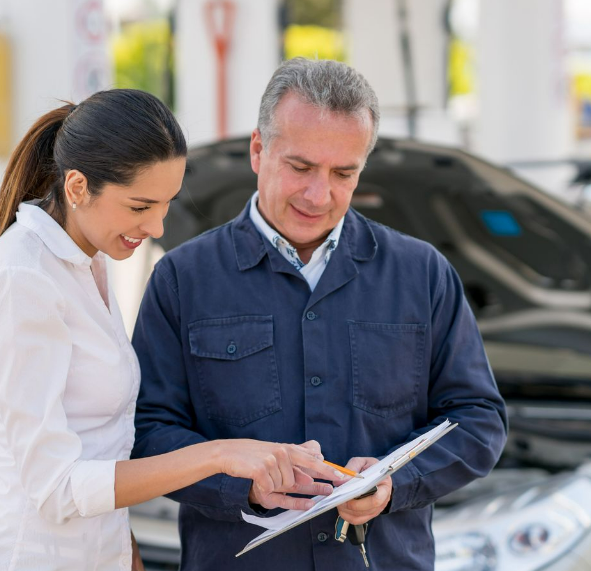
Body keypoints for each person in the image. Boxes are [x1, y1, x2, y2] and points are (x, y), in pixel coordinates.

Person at [131, 59, 508, 571]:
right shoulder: (182, 278)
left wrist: (395, 484)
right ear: (259, 151)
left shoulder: (422, 275)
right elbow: (149, 430)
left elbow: (478, 421)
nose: (319, 194)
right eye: (301, 167)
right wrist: (246, 484)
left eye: (343, 173)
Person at [0, 88, 343, 571]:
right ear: (78, 188)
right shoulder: (21, 278)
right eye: (140, 206)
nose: (159, 226)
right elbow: (56, 487)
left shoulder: (86, 262)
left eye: (167, 203)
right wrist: (219, 455)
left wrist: (128, 554)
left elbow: (103, 445)